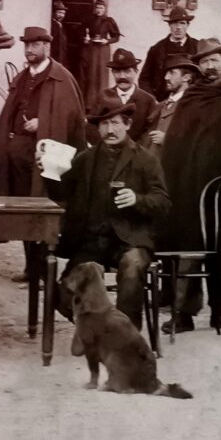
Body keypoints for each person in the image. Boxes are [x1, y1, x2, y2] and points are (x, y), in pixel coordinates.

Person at [41, 98, 169, 333]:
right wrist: (49, 170)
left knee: (133, 265)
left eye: (115, 123)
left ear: (128, 124)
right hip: (91, 243)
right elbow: (61, 192)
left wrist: (137, 200)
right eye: (104, 124)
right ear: (97, 128)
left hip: (130, 241)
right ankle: (101, 326)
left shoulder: (145, 159)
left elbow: (163, 202)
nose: (110, 130)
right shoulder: (85, 159)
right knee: (63, 292)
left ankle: (126, 337)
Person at [157, 42, 221, 333]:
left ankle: (220, 310)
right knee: (188, 249)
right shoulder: (191, 97)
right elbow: (176, 140)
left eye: (215, 61)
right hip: (189, 185)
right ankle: (184, 314)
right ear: (198, 67)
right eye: (204, 63)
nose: (210, 67)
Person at [0, 26, 88, 285]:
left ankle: (45, 267)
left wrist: (41, 122)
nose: (30, 50)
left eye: (35, 45)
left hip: (51, 155)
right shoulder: (22, 78)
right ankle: (30, 266)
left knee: (45, 209)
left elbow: (70, 118)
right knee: (25, 209)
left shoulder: (61, 78)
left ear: (47, 47)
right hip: (21, 158)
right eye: (27, 45)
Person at [101, 48, 159, 143]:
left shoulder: (149, 101)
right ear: (112, 73)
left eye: (127, 71)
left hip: (136, 154)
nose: (122, 76)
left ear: (136, 72)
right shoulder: (103, 97)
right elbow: (92, 128)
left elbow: (150, 132)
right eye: (117, 72)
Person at [139, 4, 195, 100]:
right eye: (174, 23)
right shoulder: (156, 49)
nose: (178, 27)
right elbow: (144, 79)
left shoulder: (197, 47)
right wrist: (153, 101)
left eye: (182, 23)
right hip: (162, 101)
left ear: (188, 25)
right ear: (169, 25)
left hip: (190, 101)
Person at [148, 54, 200, 149]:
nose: (166, 77)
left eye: (172, 73)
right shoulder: (160, 105)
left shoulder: (194, 106)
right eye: (166, 72)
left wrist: (167, 140)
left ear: (186, 77)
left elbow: (196, 143)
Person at [81, 0, 123, 104]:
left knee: (101, 75)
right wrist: (85, 39)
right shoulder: (89, 20)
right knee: (91, 75)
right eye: (97, 7)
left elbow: (116, 37)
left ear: (104, 9)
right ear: (94, 9)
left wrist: (107, 41)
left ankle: (102, 101)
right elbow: (81, 32)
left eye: (101, 8)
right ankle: (89, 103)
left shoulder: (109, 21)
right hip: (91, 49)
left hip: (103, 50)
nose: (99, 10)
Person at [50, 0, 73, 74]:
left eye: (63, 13)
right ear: (54, 12)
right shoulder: (52, 25)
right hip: (55, 55)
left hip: (61, 55)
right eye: (59, 12)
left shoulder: (60, 25)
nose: (62, 15)